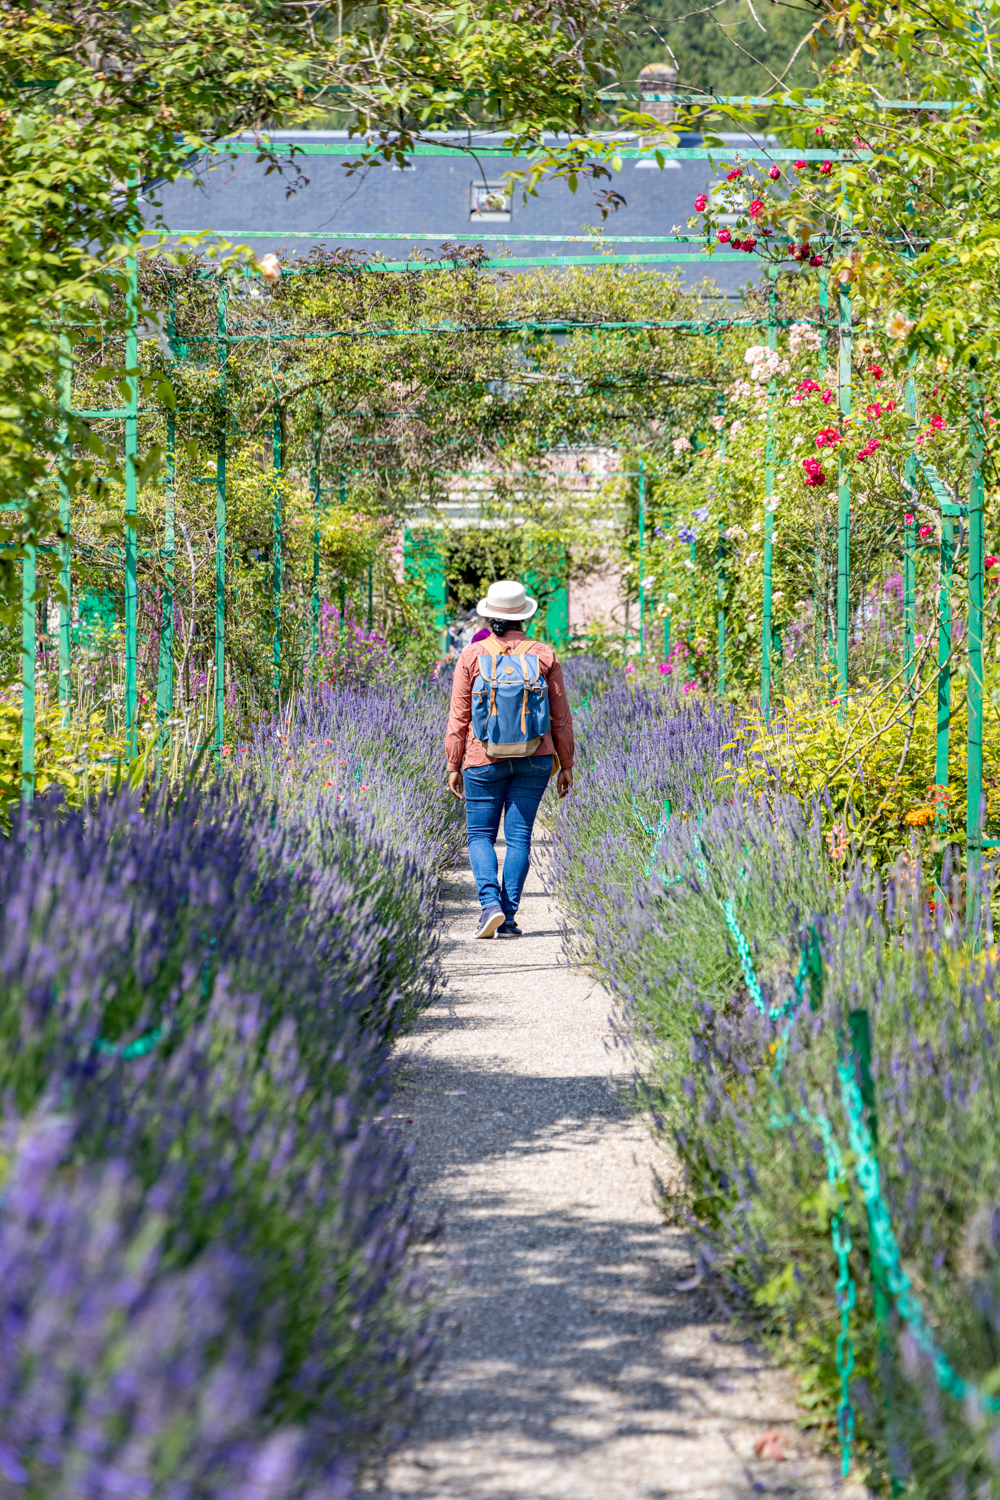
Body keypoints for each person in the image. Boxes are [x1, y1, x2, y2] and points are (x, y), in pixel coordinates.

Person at [446, 580, 574, 938]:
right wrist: (567, 765)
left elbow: (458, 717)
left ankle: (490, 906)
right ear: (524, 618)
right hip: (536, 757)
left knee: (480, 836)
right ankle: (510, 918)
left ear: (490, 617)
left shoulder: (471, 656)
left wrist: (454, 764)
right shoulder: (544, 655)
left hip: (482, 756)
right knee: (519, 839)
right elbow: (561, 718)